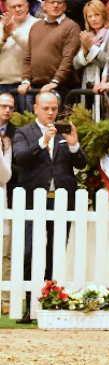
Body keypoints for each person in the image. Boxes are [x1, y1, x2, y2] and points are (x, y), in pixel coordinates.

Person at [12, 91, 87, 324]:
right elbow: (19, 157)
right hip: (34, 201)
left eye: (54, 108)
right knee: (29, 252)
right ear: (35, 108)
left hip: (62, 200)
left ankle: (50, 301)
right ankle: (29, 304)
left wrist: (75, 146)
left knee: (56, 252)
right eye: (46, 108)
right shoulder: (24, 132)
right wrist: (42, 143)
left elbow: (82, 163)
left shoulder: (65, 132)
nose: (51, 112)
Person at [18, 0, 81, 112]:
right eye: (52, 2)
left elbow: (68, 59)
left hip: (62, 88)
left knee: (59, 127)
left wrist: (55, 82)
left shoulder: (71, 27)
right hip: (36, 87)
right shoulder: (36, 26)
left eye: (59, 2)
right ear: (44, 5)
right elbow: (28, 57)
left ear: (65, 6)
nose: (56, 5)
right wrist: (25, 81)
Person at [73, 1, 109, 120]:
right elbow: (75, 64)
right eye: (90, 16)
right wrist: (85, 52)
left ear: (104, 15)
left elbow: (107, 62)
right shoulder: (88, 35)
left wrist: (91, 48)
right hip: (88, 84)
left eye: (97, 15)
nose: (93, 19)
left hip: (105, 84)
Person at [0, 0, 37, 112]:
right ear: (6, 9)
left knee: (27, 122)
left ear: (27, 6)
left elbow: (34, 48)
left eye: (20, 6)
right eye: (13, 7)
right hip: (3, 84)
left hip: (26, 84)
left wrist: (13, 33)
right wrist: (4, 38)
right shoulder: (1, 25)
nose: (17, 9)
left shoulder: (37, 24)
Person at [0, 93, 13, 315]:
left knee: (6, 251)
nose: (7, 110)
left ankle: (5, 300)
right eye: (3, 106)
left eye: (10, 106)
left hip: (2, 195)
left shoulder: (8, 139)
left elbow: (6, 175)